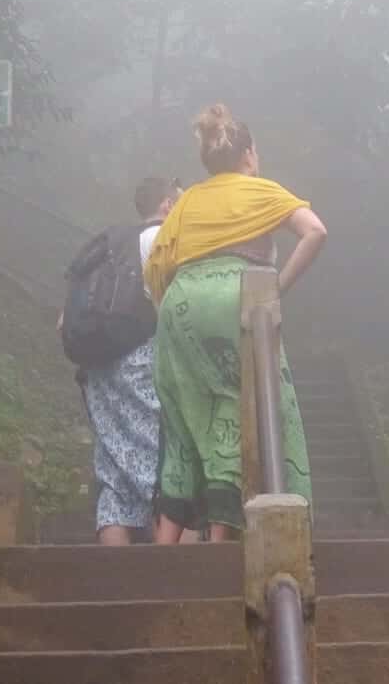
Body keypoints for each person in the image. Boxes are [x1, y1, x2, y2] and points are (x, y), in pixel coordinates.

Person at [144, 104, 327, 543]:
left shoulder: (188, 201)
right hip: (236, 298)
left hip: (180, 304)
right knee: (233, 414)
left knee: (184, 424)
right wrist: (277, 288)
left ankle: (162, 550)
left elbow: (155, 268)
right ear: (250, 153)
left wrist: (175, 311)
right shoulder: (261, 191)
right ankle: (221, 545)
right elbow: (315, 231)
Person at [78, 176, 181, 546]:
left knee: (115, 480)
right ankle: (177, 582)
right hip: (141, 362)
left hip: (98, 369)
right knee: (168, 471)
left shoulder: (113, 244)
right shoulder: (163, 241)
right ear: (168, 205)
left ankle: (114, 585)